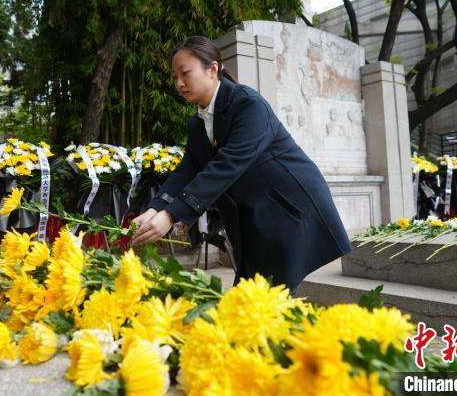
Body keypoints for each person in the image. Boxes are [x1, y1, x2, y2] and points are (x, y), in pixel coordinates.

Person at [131, 36, 353, 292]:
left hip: (290, 209)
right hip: (256, 217)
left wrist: (172, 215)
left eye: (185, 73)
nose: (179, 83)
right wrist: (155, 208)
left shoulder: (248, 104)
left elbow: (227, 165)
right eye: (174, 77)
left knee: (261, 301)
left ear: (212, 69)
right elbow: (188, 170)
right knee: (253, 301)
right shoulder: (197, 124)